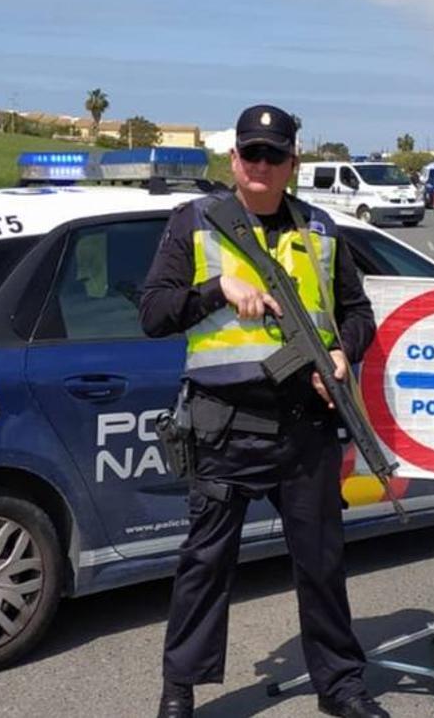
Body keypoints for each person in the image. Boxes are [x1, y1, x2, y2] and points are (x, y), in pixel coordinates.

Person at [139, 105, 389, 718]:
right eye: (250, 153)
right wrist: (215, 291)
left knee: (323, 564)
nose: (260, 165)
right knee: (206, 564)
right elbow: (152, 313)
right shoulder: (195, 223)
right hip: (225, 425)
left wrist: (340, 351)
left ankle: (341, 686)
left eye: (273, 155)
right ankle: (180, 691)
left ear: (292, 164)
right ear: (234, 160)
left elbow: (360, 314)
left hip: (305, 428)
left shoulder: (323, 232)